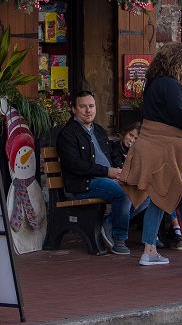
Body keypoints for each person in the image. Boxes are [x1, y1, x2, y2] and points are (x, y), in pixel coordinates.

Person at [119, 43, 182, 267]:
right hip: (169, 148)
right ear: (177, 62)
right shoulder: (170, 85)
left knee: (159, 198)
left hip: (157, 147)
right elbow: (181, 117)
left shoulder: (153, 83)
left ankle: (149, 250)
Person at [56, 90, 132, 255]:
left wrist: (120, 169)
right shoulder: (68, 134)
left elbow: (112, 154)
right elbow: (75, 165)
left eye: (91, 106)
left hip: (107, 179)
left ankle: (109, 223)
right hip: (85, 184)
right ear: (74, 110)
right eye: (83, 107)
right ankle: (119, 239)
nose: (88, 110)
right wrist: (106, 172)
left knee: (144, 193)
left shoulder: (99, 130)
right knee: (124, 193)